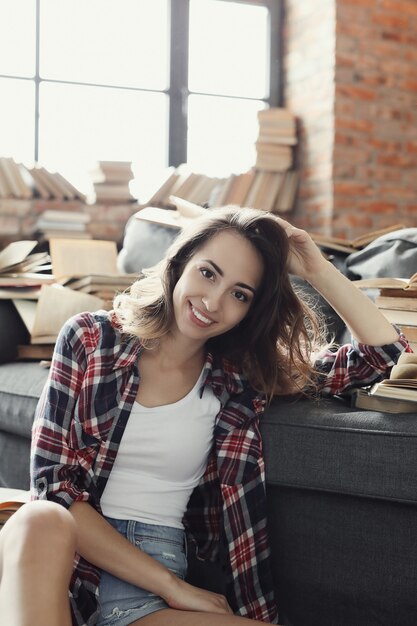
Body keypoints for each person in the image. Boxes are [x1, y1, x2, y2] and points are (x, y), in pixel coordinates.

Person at [0, 207, 409, 626]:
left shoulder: (240, 377)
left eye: (239, 294)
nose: (213, 302)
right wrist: (174, 587)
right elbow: (56, 490)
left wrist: (316, 267)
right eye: (208, 273)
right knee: (41, 516)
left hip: (144, 599)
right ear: (180, 262)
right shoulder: (90, 338)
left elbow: (382, 355)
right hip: (61, 567)